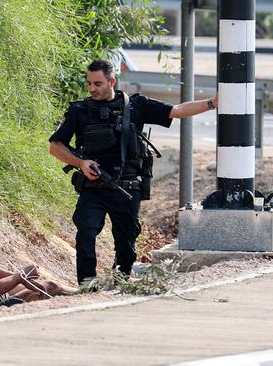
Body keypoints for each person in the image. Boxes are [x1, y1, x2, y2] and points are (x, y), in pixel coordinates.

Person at [49, 59, 218, 285]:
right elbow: (55, 146)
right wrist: (81, 163)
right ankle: (87, 287)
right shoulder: (79, 111)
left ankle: (119, 283)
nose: (91, 89)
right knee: (85, 235)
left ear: (112, 81)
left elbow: (178, 111)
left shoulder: (135, 106)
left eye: (97, 83)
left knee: (126, 245)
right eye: (89, 83)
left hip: (126, 188)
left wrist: (212, 103)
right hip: (93, 187)